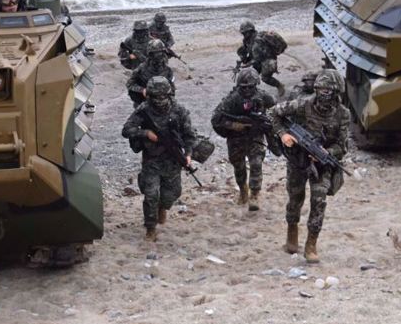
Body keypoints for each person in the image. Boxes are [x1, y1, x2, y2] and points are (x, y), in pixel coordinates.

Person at [269, 70, 349, 264]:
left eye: (328, 90)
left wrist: (327, 153)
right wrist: (282, 135)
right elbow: (273, 113)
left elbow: (343, 146)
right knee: (295, 197)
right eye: (320, 89)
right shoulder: (303, 104)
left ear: (336, 91)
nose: (324, 93)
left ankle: (311, 244)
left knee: (319, 201)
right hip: (298, 159)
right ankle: (292, 233)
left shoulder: (342, 114)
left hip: (322, 163)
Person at [121, 77, 198, 241]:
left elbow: (190, 135)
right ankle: (150, 228)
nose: (159, 100)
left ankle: (162, 207)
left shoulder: (179, 111)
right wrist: (146, 134)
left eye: (163, 96)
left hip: (173, 160)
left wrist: (188, 154)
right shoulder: (144, 110)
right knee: (151, 195)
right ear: (149, 96)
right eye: (155, 96)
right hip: (152, 160)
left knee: (171, 194)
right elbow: (127, 129)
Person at [210, 68, 277, 211]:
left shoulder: (264, 97)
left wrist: (268, 124)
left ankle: (254, 194)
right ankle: (243, 190)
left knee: (256, 163)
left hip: (255, 137)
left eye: (250, 87)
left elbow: (277, 113)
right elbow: (216, 119)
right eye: (244, 87)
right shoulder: (232, 99)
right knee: (239, 167)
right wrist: (233, 125)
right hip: (236, 140)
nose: (247, 90)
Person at [126, 39, 175, 107]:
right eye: (155, 54)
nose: (158, 56)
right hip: (144, 103)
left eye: (160, 53)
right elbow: (130, 84)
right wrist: (142, 90)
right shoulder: (141, 69)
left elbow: (172, 91)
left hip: (163, 104)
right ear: (150, 54)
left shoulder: (168, 70)